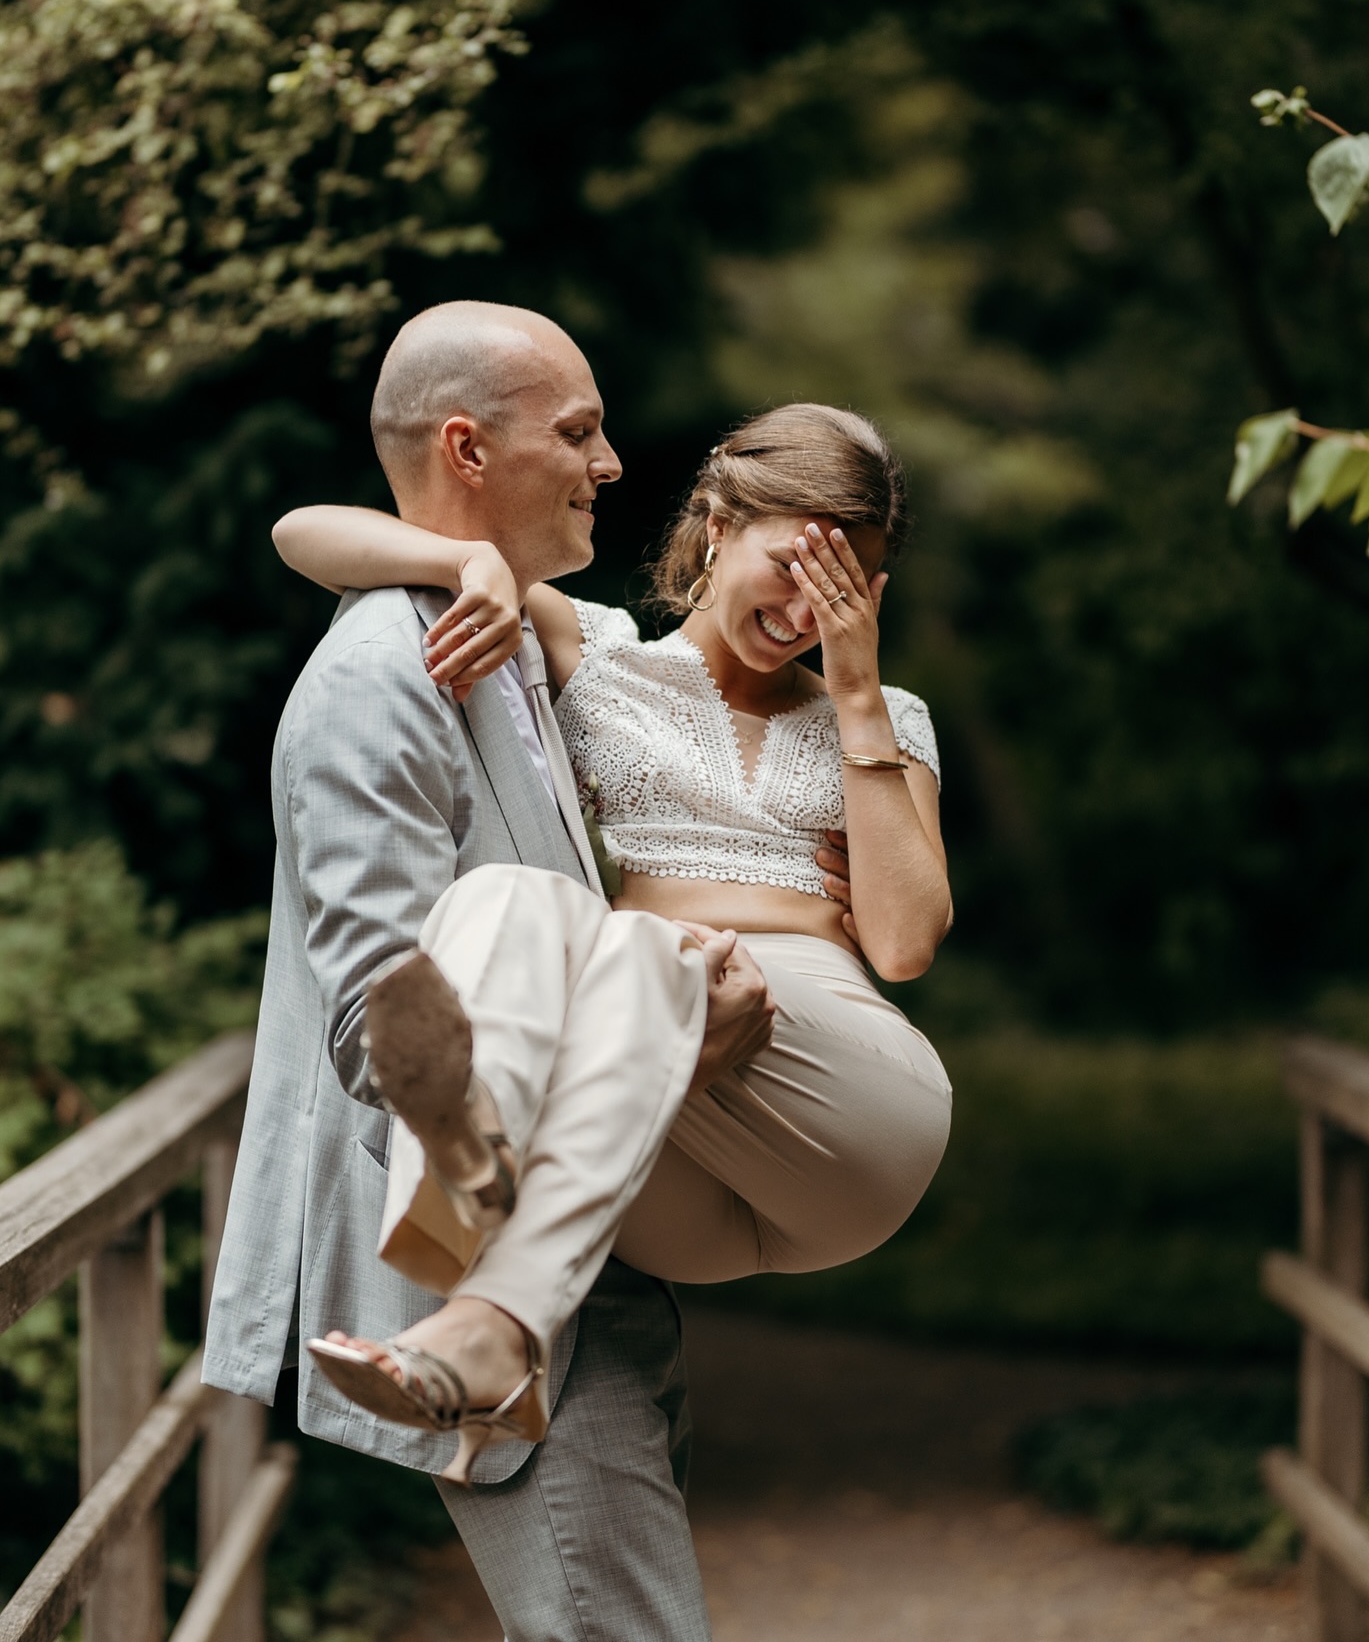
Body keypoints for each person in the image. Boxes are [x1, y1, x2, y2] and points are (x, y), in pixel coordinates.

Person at [203, 301, 780, 1642]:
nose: (613, 462)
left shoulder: (518, 636)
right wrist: (664, 1030)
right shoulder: (376, 686)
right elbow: (376, 1027)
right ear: (469, 449)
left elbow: (312, 530)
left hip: (592, 1257)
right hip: (489, 1267)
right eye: (577, 431)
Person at [270, 388, 954, 1485]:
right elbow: (300, 535)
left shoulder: (883, 717)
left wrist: (861, 692)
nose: (806, 611)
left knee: (633, 945)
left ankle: (482, 1294)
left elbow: (908, 940)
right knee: (504, 902)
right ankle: (493, 1318)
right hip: (666, 1155)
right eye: (795, 564)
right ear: (720, 520)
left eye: (845, 588)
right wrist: (470, 567)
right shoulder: (598, 652)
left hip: (844, 1110)